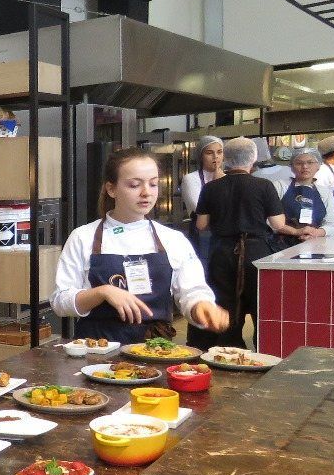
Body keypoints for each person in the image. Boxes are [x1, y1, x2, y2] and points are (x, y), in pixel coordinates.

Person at [52, 147, 228, 345]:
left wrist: (202, 306)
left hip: (155, 352)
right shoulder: (83, 237)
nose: (146, 193)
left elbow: (192, 291)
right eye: (135, 185)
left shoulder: (173, 239)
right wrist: (103, 292)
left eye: (153, 184)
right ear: (111, 189)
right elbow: (60, 301)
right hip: (95, 352)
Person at [191, 137, 303, 350]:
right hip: (256, 253)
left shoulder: (211, 188)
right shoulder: (263, 185)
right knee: (260, 304)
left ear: (226, 159)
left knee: (224, 303)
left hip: (221, 253)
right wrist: (299, 231)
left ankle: (227, 349)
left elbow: (202, 224)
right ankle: (263, 350)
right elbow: (278, 224)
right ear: (253, 159)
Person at [267, 147, 334, 242]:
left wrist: (316, 233)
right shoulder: (279, 186)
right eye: (299, 163)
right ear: (291, 166)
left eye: (310, 162)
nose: (305, 166)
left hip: (315, 243)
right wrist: (295, 231)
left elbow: (332, 223)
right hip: (281, 245)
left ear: (318, 166)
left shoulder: (325, 192)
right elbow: (268, 220)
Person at [180, 135, 222, 269]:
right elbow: (198, 208)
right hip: (203, 234)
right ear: (201, 156)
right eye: (210, 153)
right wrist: (217, 184)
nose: (215, 157)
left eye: (219, 152)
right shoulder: (190, 179)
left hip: (224, 235)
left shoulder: (229, 177)